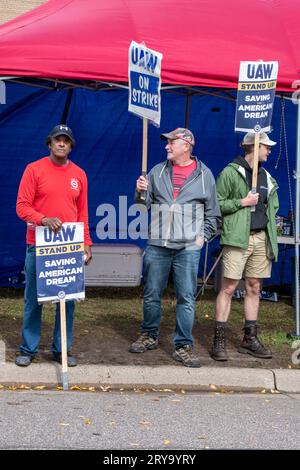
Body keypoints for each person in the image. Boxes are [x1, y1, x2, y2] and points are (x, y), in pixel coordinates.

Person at [129, 128, 220, 367]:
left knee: (186, 298)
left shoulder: (204, 175)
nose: (167, 146)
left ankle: (183, 345)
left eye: (172, 142)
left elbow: (213, 214)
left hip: (188, 247)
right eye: (167, 142)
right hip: (159, 243)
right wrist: (140, 191)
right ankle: (149, 335)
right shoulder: (157, 171)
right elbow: (142, 205)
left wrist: (202, 237)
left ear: (187, 144)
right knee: (151, 294)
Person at [15, 124, 92, 367]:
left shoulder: (79, 174)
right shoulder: (34, 170)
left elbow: (82, 213)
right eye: (57, 140)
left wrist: (86, 243)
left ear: (70, 146)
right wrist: (43, 219)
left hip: (68, 247)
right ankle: (28, 348)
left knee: (67, 300)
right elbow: (22, 207)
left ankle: (61, 349)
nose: (61, 144)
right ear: (49, 144)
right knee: (34, 299)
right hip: (38, 244)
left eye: (66, 141)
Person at [211, 132, 279, 361]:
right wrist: (242, 202)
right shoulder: (231, 172)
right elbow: (216, 204)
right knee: (229, 287)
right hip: (238, 238)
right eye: (266, 146)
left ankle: (249, 338)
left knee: (254, 287)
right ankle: (219, 339)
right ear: (254, 147)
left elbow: (273, 207)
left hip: (260, 238)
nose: (269, 150)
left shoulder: (267, 177)